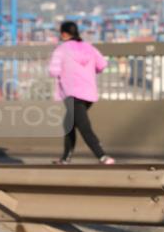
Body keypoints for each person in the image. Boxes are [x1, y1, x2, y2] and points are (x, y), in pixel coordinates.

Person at [48, 21, 115, 165]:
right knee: (69, 124)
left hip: (72, 93)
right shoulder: (89, 48)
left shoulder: (61, 50)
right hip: (89, 93)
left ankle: (102, 156)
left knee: (84, 127)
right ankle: (65, 158)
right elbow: (102, 64)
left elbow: (53, 71)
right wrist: (87, 72)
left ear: (64, 34)